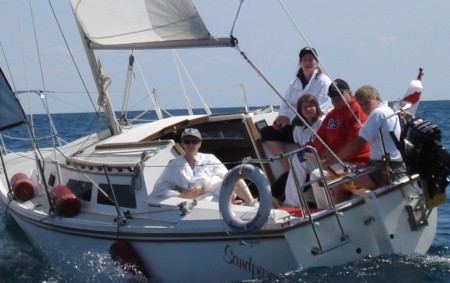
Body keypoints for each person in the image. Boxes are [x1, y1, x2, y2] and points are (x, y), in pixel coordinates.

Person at [260, 47, 333, 173]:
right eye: (305, 59)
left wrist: (291, 119)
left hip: (316, 127)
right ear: (300, 63)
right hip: (297, 126)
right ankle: (288, 170)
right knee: (267, 132)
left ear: (317, 62)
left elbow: (320, 108)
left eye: (311, 59)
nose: (308, 62)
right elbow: (286, 105)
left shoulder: (323, 81)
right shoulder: (294, 83)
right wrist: (281, 120)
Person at [322, 85, 405, 190]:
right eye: (361, 104)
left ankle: (346, 206)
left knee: (338, 183)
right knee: (335, 177)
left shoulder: (378, 113)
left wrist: (332, 160)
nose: (364, 107)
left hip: (385, 168)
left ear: (378, 99)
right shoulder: (388, 111)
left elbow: (359, 141)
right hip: (384, 165)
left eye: (367, 102)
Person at [309, 79, 370, 209]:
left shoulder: (356, 111)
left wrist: (332, 159)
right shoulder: (332, 115)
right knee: (315, 175)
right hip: (336, 161)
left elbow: (356, 143)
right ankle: (326, 210)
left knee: (319, 176)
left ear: (349, 93)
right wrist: (323, 152)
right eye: (331, 95)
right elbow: (318, 139)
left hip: (355, 161)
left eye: (338, 94)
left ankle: (334, 211)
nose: (335, 98)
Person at [153, 128, 255, 204]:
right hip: (190, 204)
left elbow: (226, 177)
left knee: (234, 175)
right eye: (187, 141)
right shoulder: (174, 164)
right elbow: (159, 188)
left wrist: (205, 187)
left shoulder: (210, 158)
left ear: (200, 144)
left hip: (215, 198)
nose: (191, 145)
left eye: (194, 141)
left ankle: (251, 203)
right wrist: (179, 195)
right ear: (182, 144)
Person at [281, 94, 325, 208]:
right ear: (300, 110)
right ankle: (292, 201)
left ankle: (292, 202)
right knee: (296, 158)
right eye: (304, 107)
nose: (308, 109)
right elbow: (299, 147)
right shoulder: (298, 128)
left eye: (311, 106)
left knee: (297, 158)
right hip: (310, 159)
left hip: (324, 159)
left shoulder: (322, 123)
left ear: (317, 107)